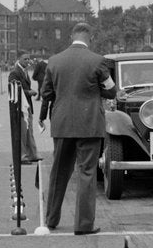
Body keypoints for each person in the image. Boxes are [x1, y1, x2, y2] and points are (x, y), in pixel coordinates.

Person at [37, 23, 116, 234]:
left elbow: (46, 93)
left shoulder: (54, 61)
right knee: (87, 172)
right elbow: (112, 91)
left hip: (62, 124)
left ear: (71, 36)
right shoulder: (97, 61)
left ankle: (51, 219)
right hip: (89, 124)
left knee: (59, 171)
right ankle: (83, 224)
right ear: (90, 37)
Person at [8, 51, 39, 164]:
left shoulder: (24, 71)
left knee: (29, 131)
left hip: (27, 106)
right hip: (20, 107)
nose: (28, 61)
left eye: (28, 59)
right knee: (22, 132)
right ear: (19, 59)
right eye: (25, 59)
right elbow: (13, 90)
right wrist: (28, 92)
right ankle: (22, 156)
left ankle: (32, 154)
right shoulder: (15, 73)